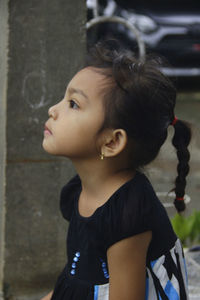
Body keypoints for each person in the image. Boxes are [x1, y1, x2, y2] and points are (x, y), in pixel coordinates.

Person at [41, 40, 191, 300]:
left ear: (111, 142)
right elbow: (80, 271)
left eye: (73, 104)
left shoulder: (128, 212)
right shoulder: (79, 189)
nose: (53, 110)